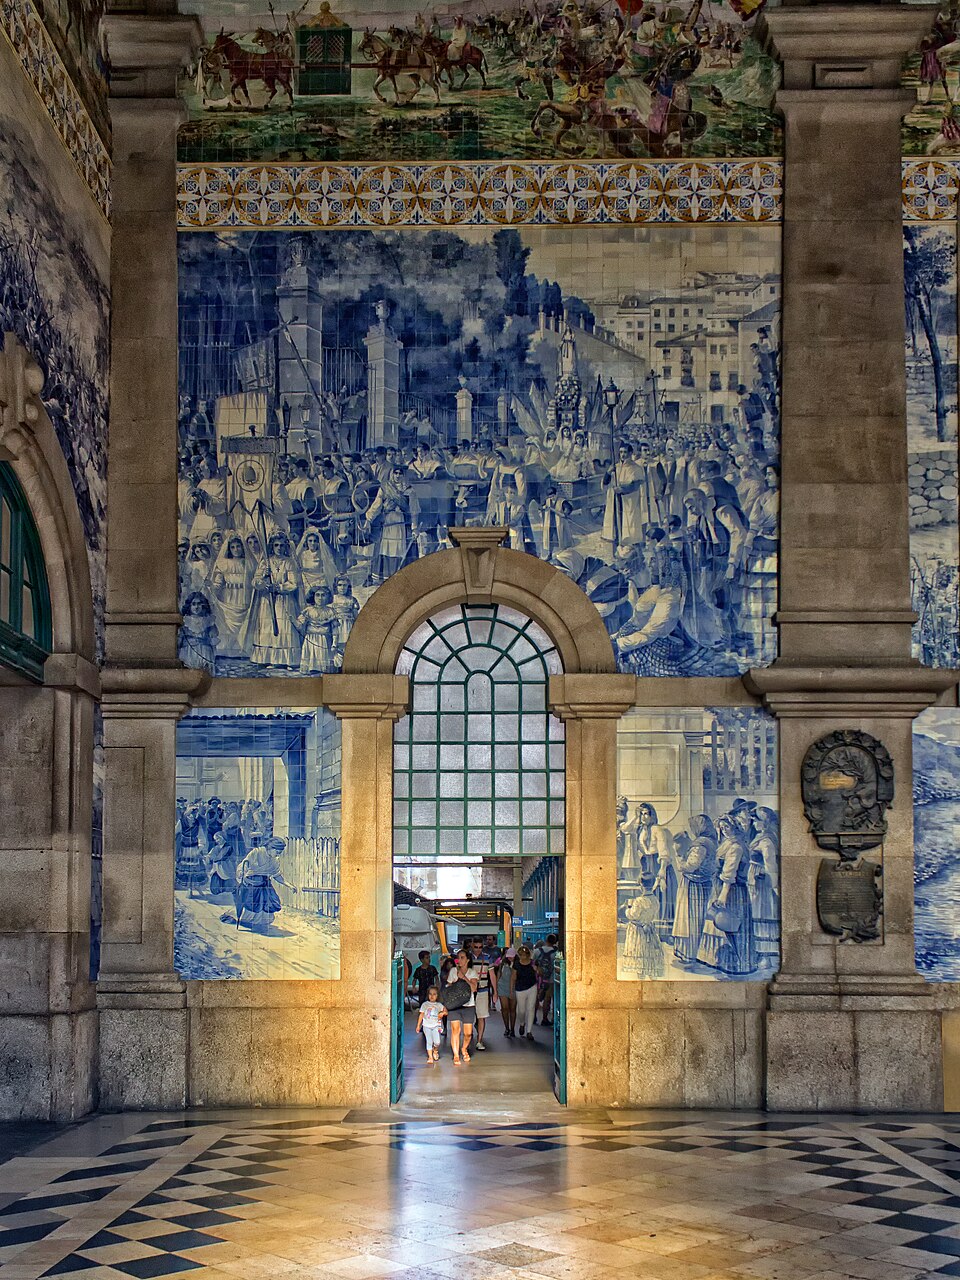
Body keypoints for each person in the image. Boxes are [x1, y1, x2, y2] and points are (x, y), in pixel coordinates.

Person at [235, 836, 294, 931]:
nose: (278, 855)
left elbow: (276, 875)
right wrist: (243, 875)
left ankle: (260, 923)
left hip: (264, 883)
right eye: (277, 852)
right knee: (253, 902)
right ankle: (246, 921)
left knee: (269, 902)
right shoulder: (257, 852)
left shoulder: (274, 860)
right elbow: (245, 863)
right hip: (251, 881)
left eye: (280, 853)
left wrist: (289, 885)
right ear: (270, 848)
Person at [446, 949, 478, 1065]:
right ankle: (456, 1054)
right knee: (455, 1030)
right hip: (455, 1005)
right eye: (458, 957)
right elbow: (449, 988)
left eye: (462, 957)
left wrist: (463, 977)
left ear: (468, 960)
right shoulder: (453, 971)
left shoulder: (472, 972)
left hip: (468, 1005)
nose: (459, 960)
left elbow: (474, 988)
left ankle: (464, 1048)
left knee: (468, 1033)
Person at [469, 938, 497, 1051]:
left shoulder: (487, 957)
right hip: (470, 991)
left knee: (482, 1016)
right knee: (470, 1016)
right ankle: (469, 1035)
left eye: (480, 947)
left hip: (483, 990)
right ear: (472, 946)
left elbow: (492, 974)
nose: (478, 950)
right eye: (476, 947)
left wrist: (495, 991)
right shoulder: (467, 957)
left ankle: (479, 1040)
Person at [511, 945, 539, 1039]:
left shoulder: (533, 963)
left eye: (525, 954)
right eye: (521, 955)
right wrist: (512, 989)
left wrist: (537, 970)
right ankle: (522, 1023)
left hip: (532, 987)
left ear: (528, 955)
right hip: (520, 988)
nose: (523, 956)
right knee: (521, 1010)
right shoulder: (516, 964)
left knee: (531, 1008)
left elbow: (540, 972)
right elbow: (513, 977)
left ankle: (529, 1031)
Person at [416, 985, 447, 1064]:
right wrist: (418, 1025)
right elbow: (421, 1015)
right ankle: (430, 1057)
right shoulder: (425, 1005)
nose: (432, 996)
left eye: (434, 994)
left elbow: (446, 1012)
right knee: (429, 1041)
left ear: (437, 995)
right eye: (430, 994)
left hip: (436, 1025)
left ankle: (435, 1050)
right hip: (426, 1025)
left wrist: (443, 1013)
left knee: (437, 1042)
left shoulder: (439, 1005)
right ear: (428, 995)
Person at [535, 934, 558, 1026]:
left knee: (536, 998)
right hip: (551, 980)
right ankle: (545, 1019)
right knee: (547, 999)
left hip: (538, 979)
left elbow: (532, 963)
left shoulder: (537, 951)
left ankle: (533, 1017)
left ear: (546, 940)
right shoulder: (556, 953)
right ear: (555, 942)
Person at [497, 947, 518, 1038]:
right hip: (502, 986)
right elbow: (499, 974)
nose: (510, 958)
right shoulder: (503, 963)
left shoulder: (517, 964)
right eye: (508, 956)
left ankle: (512, 1028)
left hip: (514, 987)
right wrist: (496, 987)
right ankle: (507, 1028)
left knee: (512, 1009)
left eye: (511, 957)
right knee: (504, 1008)